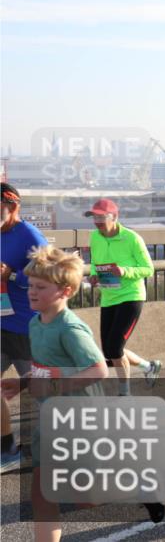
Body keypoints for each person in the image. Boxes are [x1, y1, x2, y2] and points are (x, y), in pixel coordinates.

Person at [0, 245, 165, 542]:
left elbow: (99, 369)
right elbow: (44, 365)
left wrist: (56, 382)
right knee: (41, 497)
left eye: (40, 287)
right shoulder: (35, 324)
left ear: (65, 291)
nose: (32, 292)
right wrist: (23, 382)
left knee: (87, 499)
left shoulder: (70, 329)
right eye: (31, 286)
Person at [85, 199, 161, 396]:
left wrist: (125, 271)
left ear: (115, 217)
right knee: (110, 352)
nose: (97, 222)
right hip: (108, 296)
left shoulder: (132, 238)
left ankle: (124, 393)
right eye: (94, 217)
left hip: (131, 296)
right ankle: (148, 366)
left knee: (115, 347)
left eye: (101, 217)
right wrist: (93, 275)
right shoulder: (94, 237)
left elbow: (148, 269)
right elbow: (95, 262)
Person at [0, 182, 47, 472]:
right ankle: (7, 450)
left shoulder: (29, 235)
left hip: (29, 329)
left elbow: (52, 275)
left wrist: (13, 275)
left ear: (12, 206)